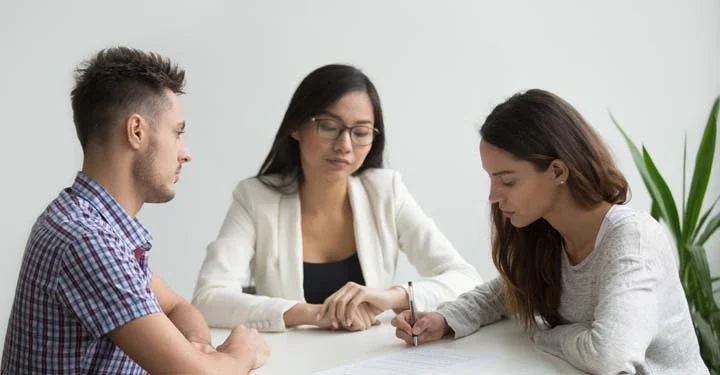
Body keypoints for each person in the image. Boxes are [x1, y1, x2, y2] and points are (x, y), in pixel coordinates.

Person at [391, 89, 708, 374]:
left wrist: (546, 335)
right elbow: (508, 291)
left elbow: (609, 356)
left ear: (557, 171)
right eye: (491, 179)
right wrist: (445, 319)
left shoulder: (633, 240)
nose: (493, 196)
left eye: (508, 181)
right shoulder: (549, 235)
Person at [1, 47, 269, 374]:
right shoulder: (87, 240)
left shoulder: (90, 222)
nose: (185, 154)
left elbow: (177, 307)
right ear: (137, 131)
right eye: (177, 132)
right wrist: (243, 352)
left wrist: (197, 348)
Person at [192, 64, 481, 333]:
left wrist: (391, 297)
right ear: (295, 126)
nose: (345, 145)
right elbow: (208, 299)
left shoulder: (385, 192)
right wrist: (316, 314)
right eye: (329, 126)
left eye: (360, 132)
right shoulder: (255, 198)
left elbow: (465, 278)